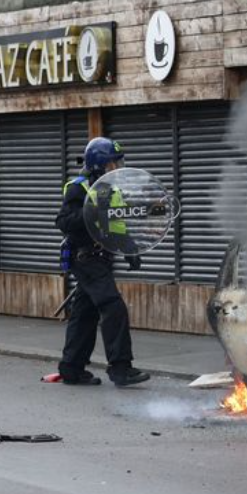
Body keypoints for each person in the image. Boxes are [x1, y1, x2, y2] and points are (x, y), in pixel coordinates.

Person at [56, 137, 150, 387]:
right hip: (85, 258)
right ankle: (120, 368)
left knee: (84, 314)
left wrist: (130, 249)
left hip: (101, 258)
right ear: (99, 164)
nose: (117, 167)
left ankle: (71, 369)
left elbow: (116, 225)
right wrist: (91, 212)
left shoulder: (111, 190)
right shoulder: (79, 188)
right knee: (113, 306)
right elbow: (64, 222)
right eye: (112, 163)